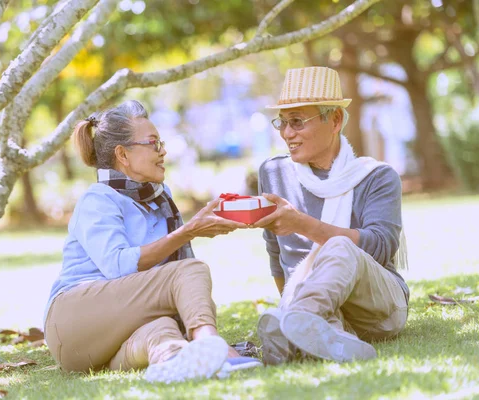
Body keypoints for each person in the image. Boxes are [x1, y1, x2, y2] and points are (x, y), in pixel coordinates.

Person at [43, 100, 262, 383]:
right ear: (123, 154)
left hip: (97, 346)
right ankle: (212, 344)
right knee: (190, 269)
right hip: (72, 320)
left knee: (162, 329)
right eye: (154, 143)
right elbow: (118, 266)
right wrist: (188, 231)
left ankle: (174, 359)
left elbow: (150, 283)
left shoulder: (159, 200)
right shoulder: (98, 199)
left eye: (161, 143)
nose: (163, 151)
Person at [254, 66, 409, 364]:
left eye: (298, 122)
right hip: (326, 304)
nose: (288, 133)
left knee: (339, 246)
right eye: (282, 123)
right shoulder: (273, 173)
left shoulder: (376, 176)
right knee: (323, 305)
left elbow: (381, 246)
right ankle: (321, 331)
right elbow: (277, 253)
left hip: (377, 307)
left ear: (335, 120)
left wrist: (303, 224)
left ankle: (294, 325)